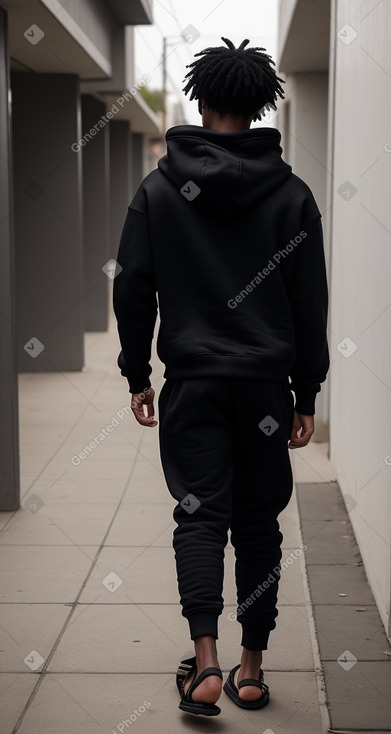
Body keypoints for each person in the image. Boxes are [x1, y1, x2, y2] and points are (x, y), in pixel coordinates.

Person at [113, 36, 330, 717]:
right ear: (261, 104)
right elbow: (307, 302)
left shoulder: (158, 188)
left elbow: (132, 287)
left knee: (199, 517)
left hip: (194, 386)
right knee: (258, 524)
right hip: (265, 389)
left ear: (200, 100)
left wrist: (136, 373)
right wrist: (306, 391)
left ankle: (203, 661)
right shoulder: (291, 195)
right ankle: (252, 670)